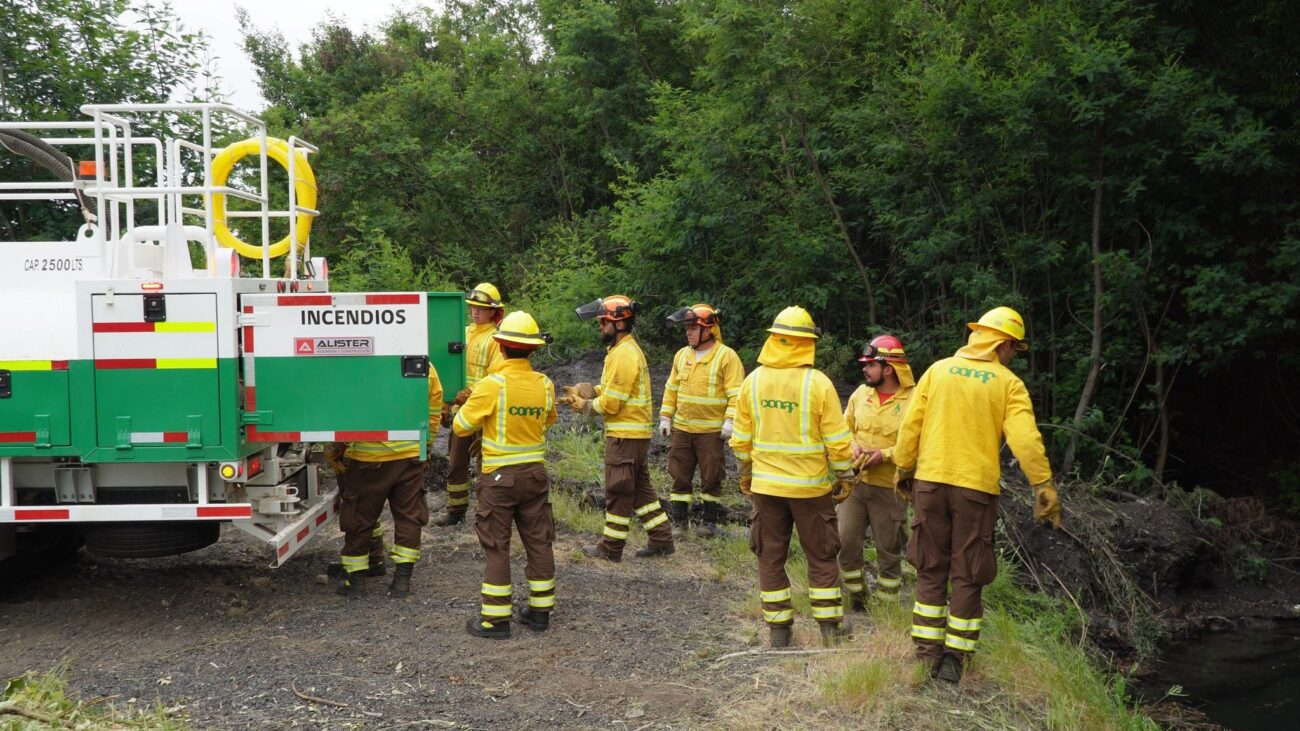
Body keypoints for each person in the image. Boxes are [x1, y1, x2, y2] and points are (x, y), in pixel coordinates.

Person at [893, 305, 1062, 684]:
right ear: (1002, 345)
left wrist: (904, 470)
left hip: (930, 483)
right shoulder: (1007, 384)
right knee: (968, 574)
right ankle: (955, 661)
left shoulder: (937, 371)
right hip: (975, 492)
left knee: (930, 567)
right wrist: (1043, 486)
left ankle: (925, 656)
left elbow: (910, 428)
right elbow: (1026, 441)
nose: (1012, 358)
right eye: (1013, 350)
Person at [730, 306, 855, 648]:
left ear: (773, 339)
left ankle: (779, 632)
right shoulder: (818, 383)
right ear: (807, 343)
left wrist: (746, 476)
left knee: (770, 556)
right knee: (822, 556)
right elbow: (838, 440)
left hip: (766, 489)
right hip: (811, 490)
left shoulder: (752, 382)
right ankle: (830, 630)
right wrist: (845, 475)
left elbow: (740, 441)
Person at [453, 311, 558, 639]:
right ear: (532, 350)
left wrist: (466, 406)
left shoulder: (491, 385)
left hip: (499, 478)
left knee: (497, 545)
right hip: (535, 476)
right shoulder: (544, 383)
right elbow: (549, 419)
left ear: (500, 346)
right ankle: (540, 613)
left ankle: (495, 621)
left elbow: (460, 426)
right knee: (538, 541)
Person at [562, 295, 675, 562]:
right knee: (639, 490)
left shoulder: (624, 353)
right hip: (631, 435)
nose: (600, 326)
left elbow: (613, 402)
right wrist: (591, 389)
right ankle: (661, 540)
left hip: (625, 436)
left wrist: (584, 405)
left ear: (620, 324)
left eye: (604, 321)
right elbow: (615, 389)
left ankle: (610, 548)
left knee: (618, 489)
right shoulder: (621, 350)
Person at [336, 364, 444, 599]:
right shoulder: (424, 365)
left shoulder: (361, 365)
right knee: (409, 518)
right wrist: (426, 445)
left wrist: (337, 446)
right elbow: (434, 409)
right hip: (410, 457)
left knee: (359, 518)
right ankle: (402, 582)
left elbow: (343, 407)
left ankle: (355, 582)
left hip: (367, 457)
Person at [838, 335, 916, 611]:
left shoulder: (913, 401)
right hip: (855, 485)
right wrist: (853, 446)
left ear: (888, 368)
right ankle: (856, 599)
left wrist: (885, 455)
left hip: (890, 488)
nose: (864, 369)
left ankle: (886, 609)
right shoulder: (861, 394)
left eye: (870, 364)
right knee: (845, 541)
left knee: (889, 550)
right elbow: (842, 429)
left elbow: (917, 444)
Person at [659, 303, 746, 538]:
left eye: (693, 327)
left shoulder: (727, 357)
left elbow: (736, 395)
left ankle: (708, 523)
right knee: (679, 474)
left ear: (708, 330)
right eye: (687, 327)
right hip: (682, 428)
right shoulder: (682, 355)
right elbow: (671, 389)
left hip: (711, 431)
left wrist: (730, 422)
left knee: (711, 476)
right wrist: (666, 417)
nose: (688, 332)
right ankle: (679, 523)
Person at [434, 282, 505, 526]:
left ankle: (488, 512)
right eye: (473, 307)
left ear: (493, 312)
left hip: (485, 412)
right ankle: (455, 511)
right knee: (456, 463)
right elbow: (448, 370)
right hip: (461, 411)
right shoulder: (462, 332)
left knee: (486, 464)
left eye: (481, 308)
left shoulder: (497, 339)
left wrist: (471, 393)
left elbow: (496, 376)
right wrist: (446, 403)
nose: (475, 312)